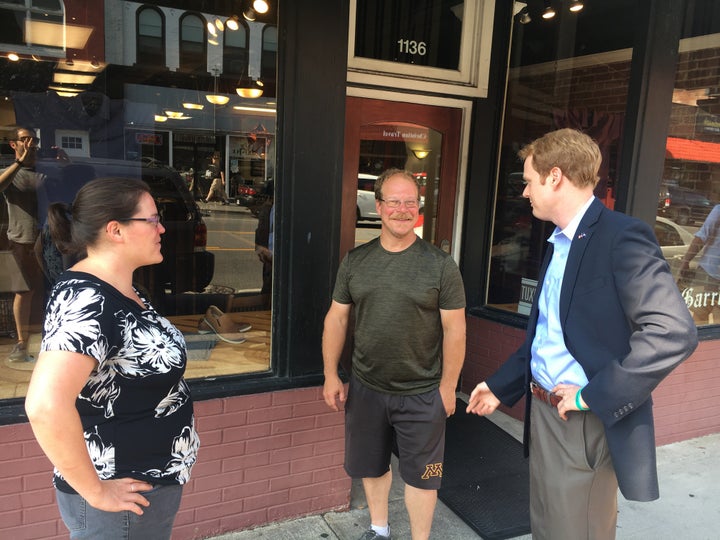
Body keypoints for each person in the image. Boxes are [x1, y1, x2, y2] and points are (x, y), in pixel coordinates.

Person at [466, 129, 698, 540]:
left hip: (581, 422)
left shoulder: (621, 237)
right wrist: (501, 386)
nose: (524, 192)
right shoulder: (560, 240)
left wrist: (592, 394)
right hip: (545, 413)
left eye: (529, 181)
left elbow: (673, 333)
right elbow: (550, 334)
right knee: (549, 528)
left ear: (555, 177)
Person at [24, 177, 200, 540]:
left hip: (146, 483)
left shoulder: (121, 288)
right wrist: (96, 491)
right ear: (115, 230)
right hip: (121, 498)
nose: (162, 228)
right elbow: (44, 405)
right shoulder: (87, 301)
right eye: (152, 220)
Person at [322, 168, 466, 540]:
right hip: (367, 387)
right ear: (379, 205)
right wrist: (330, 375)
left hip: (422, 391)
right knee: (371, 466)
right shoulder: (356, 261)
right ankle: (379, 529)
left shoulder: (440, 265)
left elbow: (455, 330)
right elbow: (336, 319)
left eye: (410, 202)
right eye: (394, 201)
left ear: (417, 208)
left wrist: (449, 387)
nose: (402, 210)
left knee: (423, 476)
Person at [0, 126, 44, 362]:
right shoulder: (11, 173)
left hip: (47, 240)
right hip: (22, 241)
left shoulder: (44, 170)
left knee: (46, 291)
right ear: (14, 145)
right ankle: (20, 343)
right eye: (25, 139)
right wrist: (19, 163)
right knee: (24, 292)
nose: (31, 144)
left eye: (33, 139)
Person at [678, 204, 720, 323]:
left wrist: (685, 261)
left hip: (709, 272)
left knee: (700, 317)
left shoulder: (718, 210)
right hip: (710, 271)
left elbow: (702, 237)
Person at [254, 179, 274, 295]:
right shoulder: (269, 209)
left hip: (270, 258)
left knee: (268, 289)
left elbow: (261, 232)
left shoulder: (268, 209)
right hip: (270, 258)